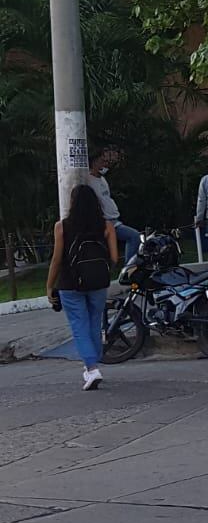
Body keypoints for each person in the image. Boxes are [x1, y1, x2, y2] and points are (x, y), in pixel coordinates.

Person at [46, 184, 118, 391]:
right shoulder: (106, 226)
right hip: (98, 283)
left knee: (79, 326)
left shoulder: (62, 227)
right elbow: (113, 258)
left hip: (70, 283)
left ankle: (92, 368)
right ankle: (93, 363)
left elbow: (57, 260)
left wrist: (50, 285)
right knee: (95, 323)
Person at [86, 149, 140, 265]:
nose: (105, 164)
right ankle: (128, 268)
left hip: (114, 219)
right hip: (105, 221)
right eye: (102, 161)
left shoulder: (102, 179)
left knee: (133, 237)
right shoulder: (88, 181)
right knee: (133, 236)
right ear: (94, 162)